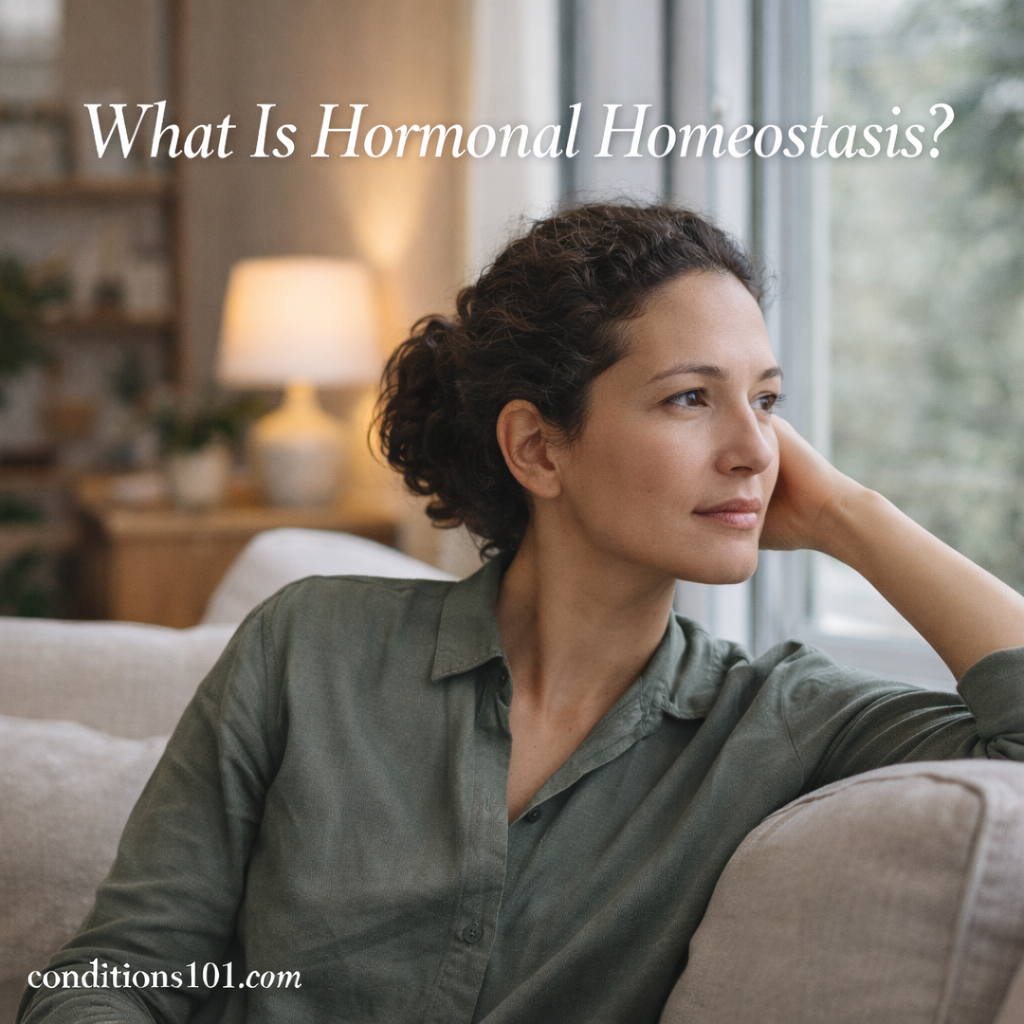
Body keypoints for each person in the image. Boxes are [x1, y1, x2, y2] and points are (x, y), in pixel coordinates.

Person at [20, 203, 1024, 1024]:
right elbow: (120, 973)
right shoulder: (309, 645)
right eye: (688, 399)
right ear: (536, 449)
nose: (756, 452)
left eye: (765, 401)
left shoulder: (776, 720)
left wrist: (856, 516)